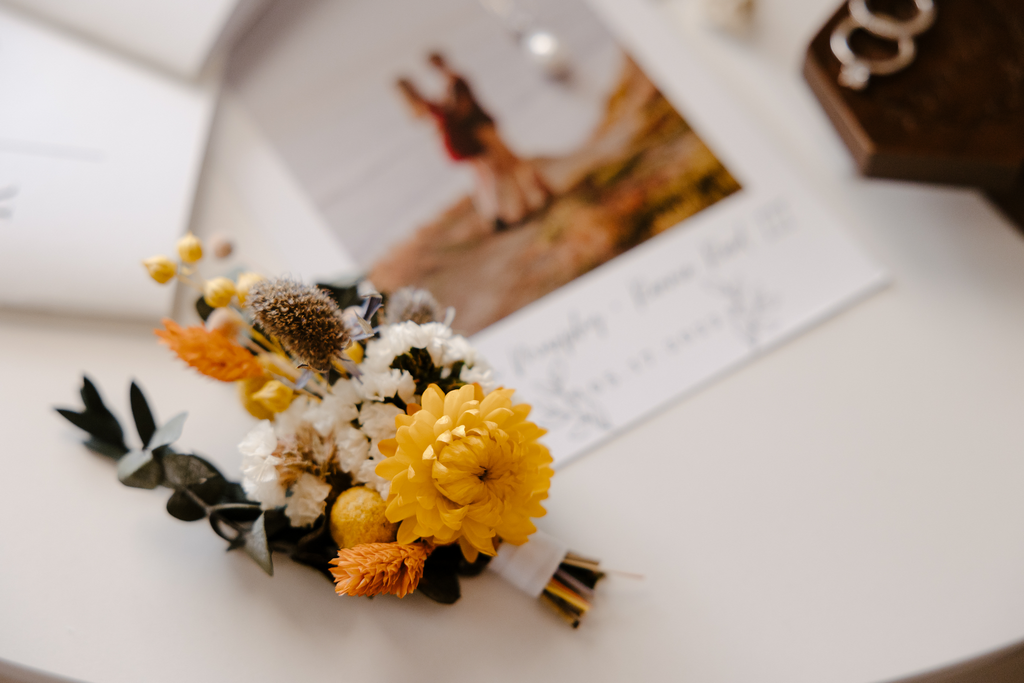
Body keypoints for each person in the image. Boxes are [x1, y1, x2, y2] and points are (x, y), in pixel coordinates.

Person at [397, 53, 552, 230]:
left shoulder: (449, 86)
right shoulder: (439, 92)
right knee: (493, 171)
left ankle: (507, 210)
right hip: (466, 136)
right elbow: (454, 112)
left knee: (495, 170)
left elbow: (455, 112)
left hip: (472, 132)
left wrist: (446, 112)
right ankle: (504, 212)